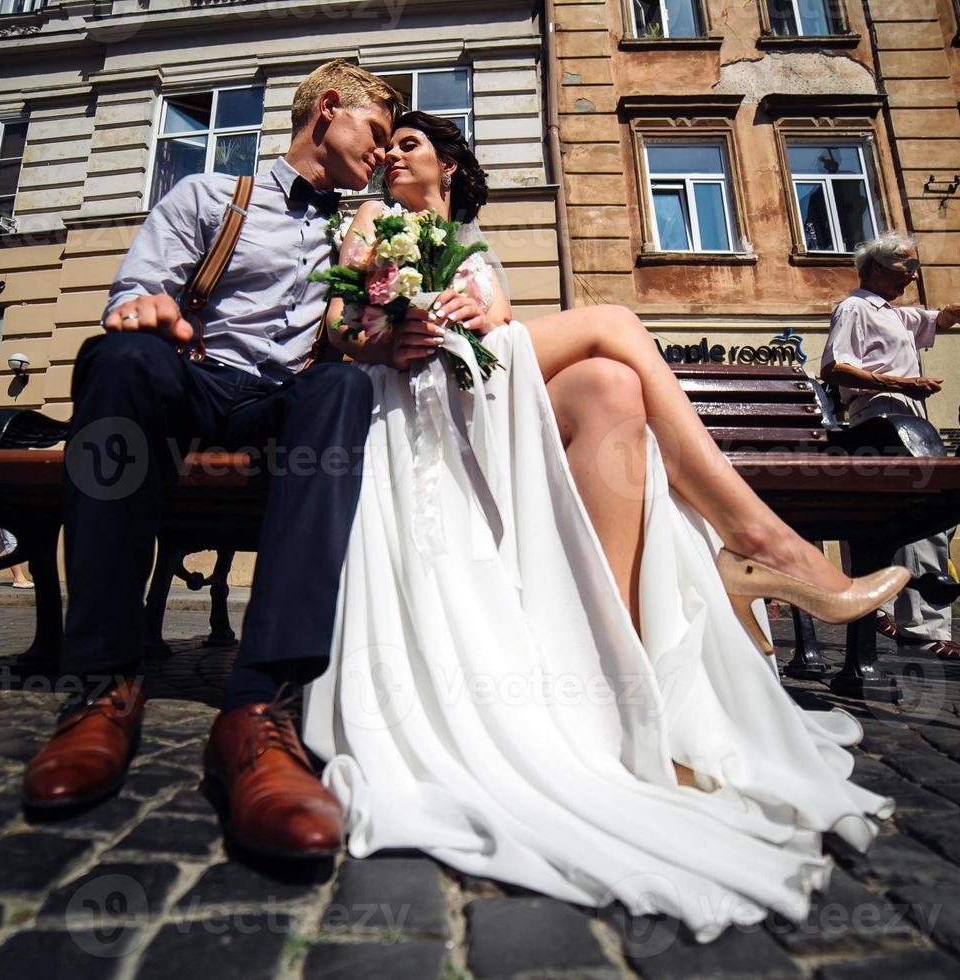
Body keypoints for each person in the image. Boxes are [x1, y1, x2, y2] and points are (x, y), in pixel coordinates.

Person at [300, 111, 904, 941]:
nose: (391, 155)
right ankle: (761, 541)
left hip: (475, 382)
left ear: (448, 166)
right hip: (406, 389)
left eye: (409, 144)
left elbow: (499, 315)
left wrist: (474, 317)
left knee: (615, 392)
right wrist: (389, 328)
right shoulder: (372, 220)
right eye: (388, 144)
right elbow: (339, 332)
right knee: (615, 324)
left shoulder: (471, 240)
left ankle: (631, 683)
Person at [20, 62, 405, 866]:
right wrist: (146, 311)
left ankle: (260, 710)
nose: (380, 155)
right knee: (119, 359)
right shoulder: (205, 196)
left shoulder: (364, 226)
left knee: (339, 387)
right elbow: (139, 287)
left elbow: (361, 335)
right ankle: (102, 682)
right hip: (193, 381)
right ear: (328, 111)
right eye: (374, 134)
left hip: (283, 401)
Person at [820, 232, 960, 662]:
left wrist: (955, 313)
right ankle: (923, 628)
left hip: (908, 414)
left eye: (915, 270)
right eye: (906, 270)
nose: (912, 279)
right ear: (877, 267)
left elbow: (934, 320)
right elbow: (835, 366)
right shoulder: (855, 308)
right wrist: (901, 382)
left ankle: (879, 604)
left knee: (910, 517)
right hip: (882, 414)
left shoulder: (895, 315)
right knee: (926, 513)